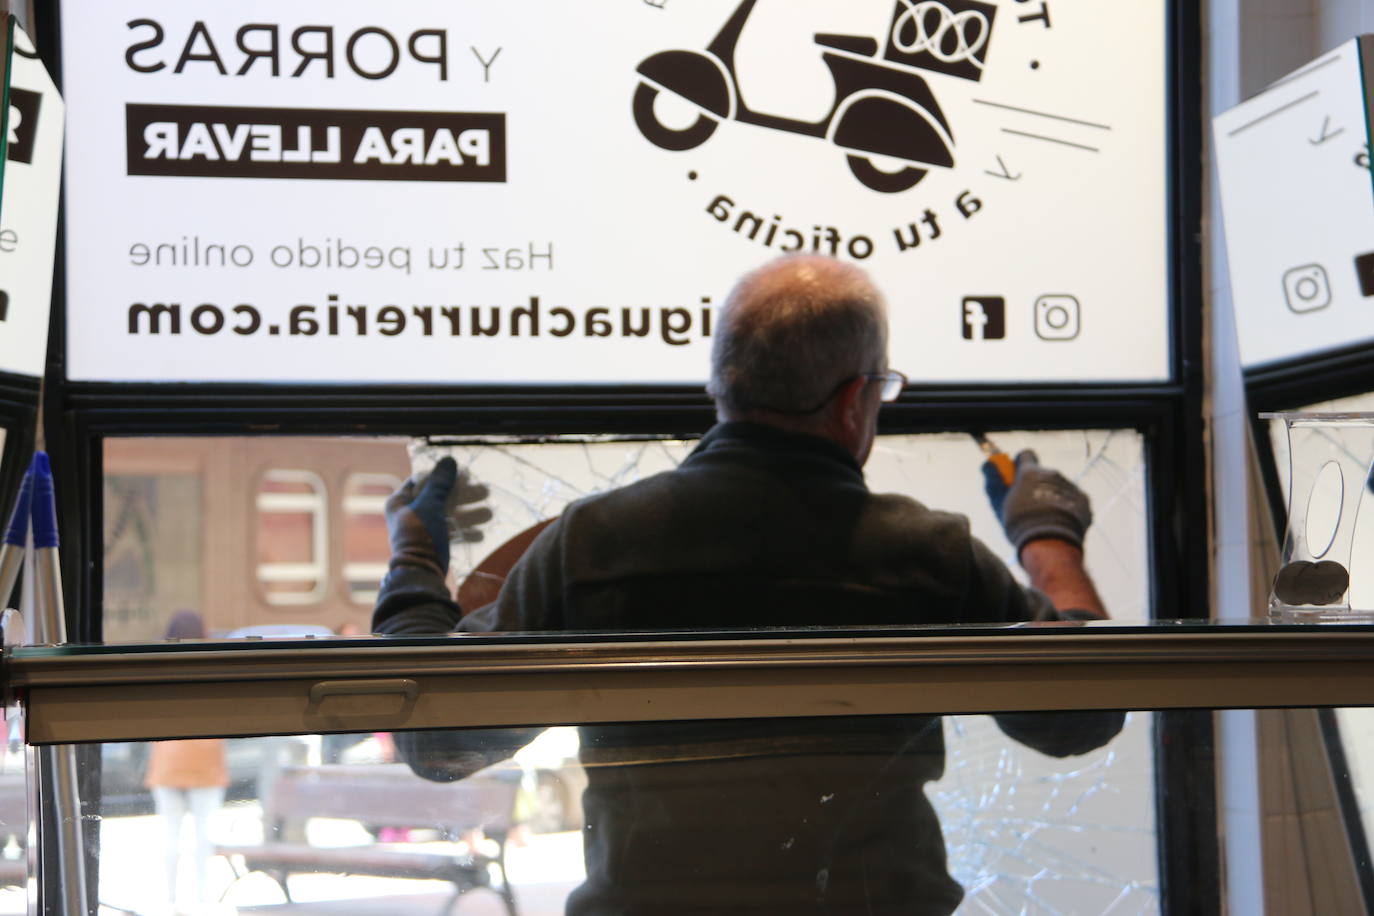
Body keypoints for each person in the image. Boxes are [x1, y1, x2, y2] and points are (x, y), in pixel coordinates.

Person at [373, 255, 1123, 914]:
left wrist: (413, 561)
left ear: (722, 384)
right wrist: (1047, 539)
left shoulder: (592, 543)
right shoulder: (925, 552)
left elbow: (440, 743)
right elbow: (1080, 716)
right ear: (851, 399)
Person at [144, 611, 228, 911]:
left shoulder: (159, 662)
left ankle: (169, 898)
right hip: (206, 757)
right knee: (204, 835)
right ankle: (201, 897)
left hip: (168, 758)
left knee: (170, 835)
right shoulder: (213, 662)